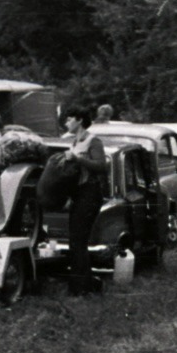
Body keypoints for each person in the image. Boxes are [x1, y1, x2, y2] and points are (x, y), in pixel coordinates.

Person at [59, 104, 107, 295]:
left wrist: (78, 160)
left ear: (79, 120)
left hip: (90, 193)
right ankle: (85, 285)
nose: (66, 122)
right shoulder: (74, 142)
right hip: (79, 194)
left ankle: (80, 288)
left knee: (79, 241)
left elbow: (102, 166)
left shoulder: (93, 141)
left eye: (69, 119)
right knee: (75, 241)